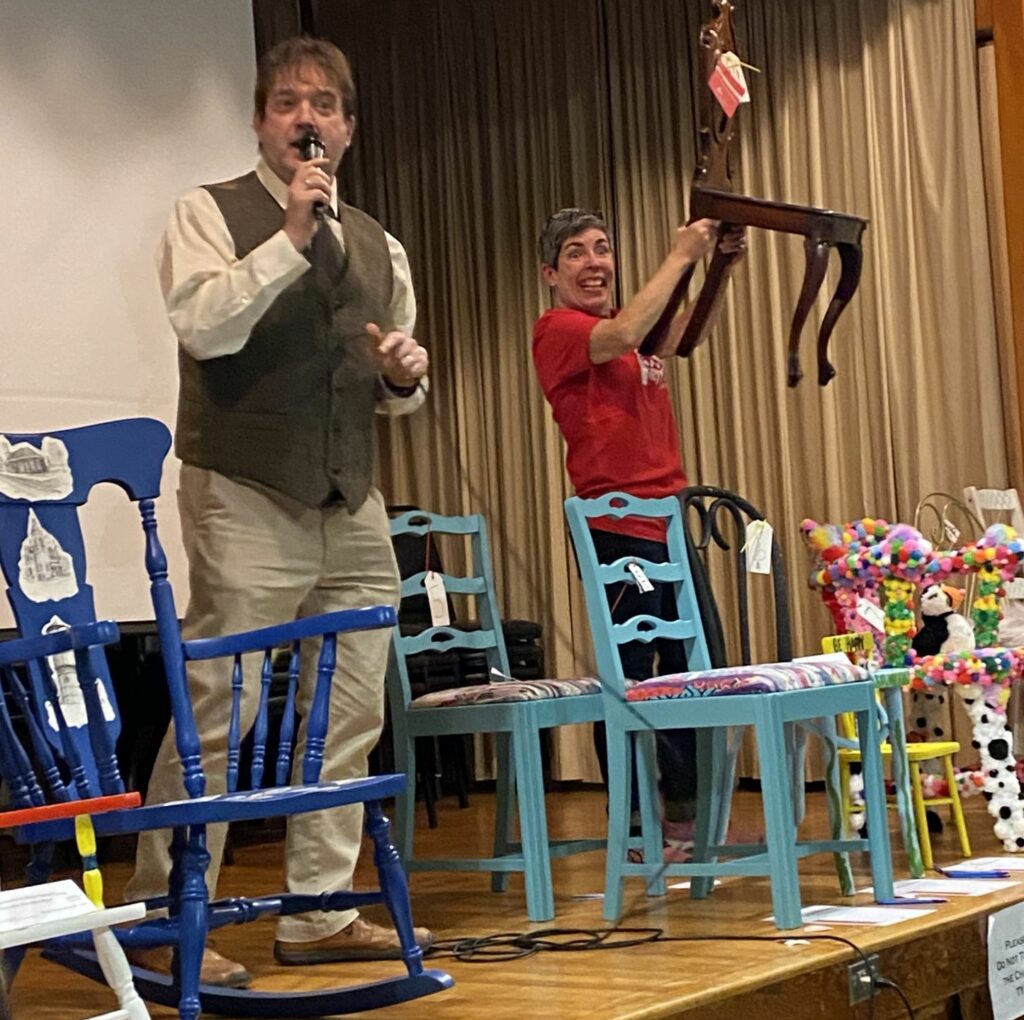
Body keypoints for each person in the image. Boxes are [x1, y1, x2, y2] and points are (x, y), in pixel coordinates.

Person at [124, 37, 432, 987]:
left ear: (348, 125)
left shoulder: (381, 241)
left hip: (351, 497)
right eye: (291, 103)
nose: (310, 119)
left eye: (327, 105)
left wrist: (405, 376)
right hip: (247, 488)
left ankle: (319, 910)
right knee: (222, 703)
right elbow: (204, 325)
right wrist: (290, 239)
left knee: (347, 713)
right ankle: (165, 914)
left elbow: (398, 372)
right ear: (262, 120)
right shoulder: (209, 212)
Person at [532, 207, 745, 851]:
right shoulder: (560, 328)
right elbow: (624, 335)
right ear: (550, 273)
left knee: (690, 668)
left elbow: (687, 333)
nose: (594, 262)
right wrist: (682, 254)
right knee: (633, 674)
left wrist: (721, 269)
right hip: (616, 525)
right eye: (576, 252)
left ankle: (683, 818)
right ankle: (634, 820)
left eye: (602, 248)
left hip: (667, 519)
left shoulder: (630, 329)